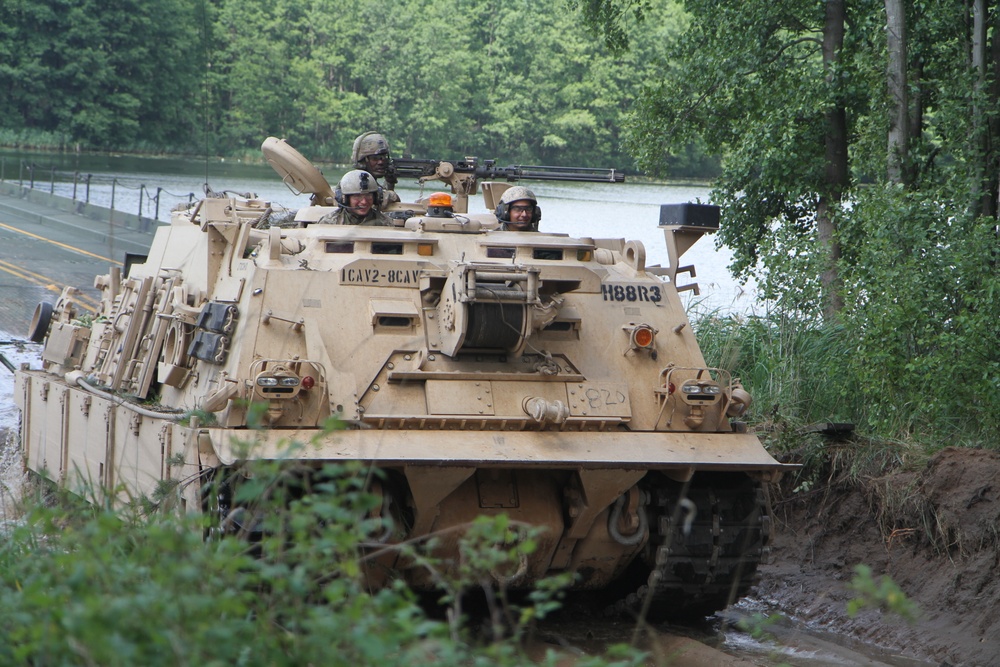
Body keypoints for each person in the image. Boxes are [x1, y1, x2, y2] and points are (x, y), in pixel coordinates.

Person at [318, 170, 393, 226]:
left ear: (375, 197)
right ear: (344, 199)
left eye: (368, 195)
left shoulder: (385, 223)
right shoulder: (329, 223)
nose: (364, 201)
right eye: (357, 196)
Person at [351, 131, 401, 209]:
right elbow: (380, 200)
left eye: (383, 158)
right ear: (363, 161)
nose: (381, 162)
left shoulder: (371, 183)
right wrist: (392, 194)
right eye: (375, 159)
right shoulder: (355, 182)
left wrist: (390, 183)